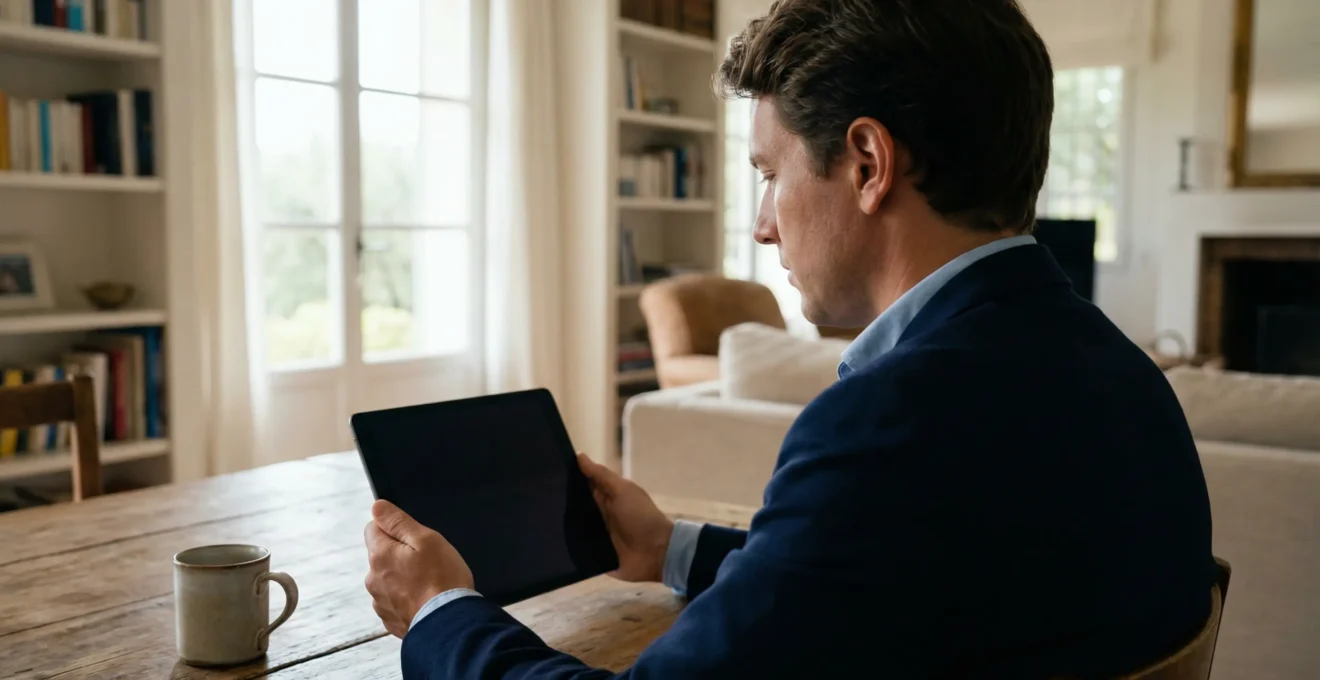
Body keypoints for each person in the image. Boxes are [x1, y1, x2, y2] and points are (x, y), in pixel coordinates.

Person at [364, 0, 1216, 676]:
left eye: (771, 174)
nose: (763, 224)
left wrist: (440, 612)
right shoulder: (1124, 377)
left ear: (868, 164)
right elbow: (882, 576)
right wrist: (670, 548)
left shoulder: (889, 426)